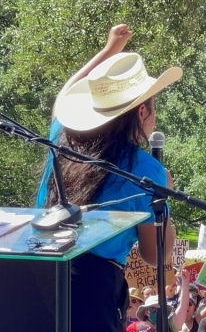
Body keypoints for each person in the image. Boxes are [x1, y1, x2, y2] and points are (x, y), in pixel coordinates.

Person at [35, 24, 180, 332]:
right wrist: (164, 196)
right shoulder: (145, 169)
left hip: (34, 271)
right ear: (142, 112)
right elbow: (156, 255)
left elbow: (65, 97)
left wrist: (108, 50)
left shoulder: (61, 140)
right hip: (91, 287)